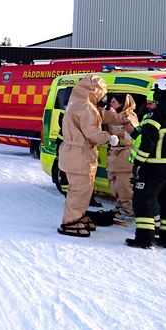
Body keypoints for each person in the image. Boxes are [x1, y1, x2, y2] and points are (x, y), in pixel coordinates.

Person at [57, 74, 119, 237]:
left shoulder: (77, 103)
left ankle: (78, 216)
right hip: (79, 155)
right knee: (79, 190)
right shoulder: (86, 107)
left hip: (74, 154)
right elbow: (91, 132)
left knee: (80, 190)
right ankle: (70, 222)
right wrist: (109, 138)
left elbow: (101, 115)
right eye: (102, 92)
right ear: (95, 91)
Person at [126, 78, 166, 249]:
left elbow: (148, 143)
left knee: (143, 200)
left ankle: (144, 239)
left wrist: (138, 163)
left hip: (155, 166)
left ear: (159, 93)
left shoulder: (155, 116)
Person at [101, 93, 139, 217]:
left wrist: (117, 136)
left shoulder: (129, 117)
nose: (111, 104)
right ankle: (120, 206)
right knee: (114, 183)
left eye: (114, 102)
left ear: (122, 104)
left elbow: (131, 137)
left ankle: (129, 208)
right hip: (113, 155)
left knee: (124, 184)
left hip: (125, 156)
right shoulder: (112, 117)